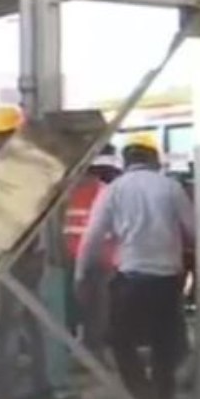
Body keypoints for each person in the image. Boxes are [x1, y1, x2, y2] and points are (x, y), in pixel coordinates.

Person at [76, 132, 194, 399]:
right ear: (154, 158)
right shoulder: (170, 188)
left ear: (127, 160)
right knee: (163, 342)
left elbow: (93, 236)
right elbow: (194, 230)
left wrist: (81, 273)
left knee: (120, 340)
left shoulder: (113, 190)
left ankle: (142, 397)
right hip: (167, 278)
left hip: (131, 277)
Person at [0, 106, 51, 399]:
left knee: (8, 325)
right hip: (24, 255)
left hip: (9, 255)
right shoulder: (29, 170)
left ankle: (9, 393)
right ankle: (35, 386)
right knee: (25, 323)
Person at [64, 148, 122, 355]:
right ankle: (88, 351)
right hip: (82, 259)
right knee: (88, 311)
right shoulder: (102, 191)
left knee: (93, 312)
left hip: (92, 260)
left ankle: (90, 351)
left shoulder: (96, 192)